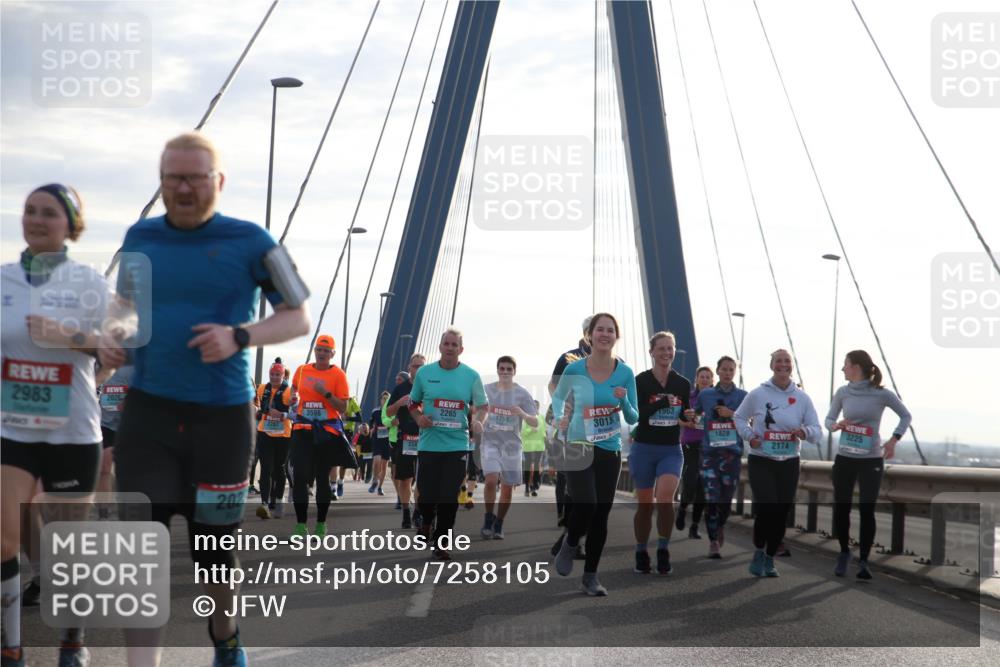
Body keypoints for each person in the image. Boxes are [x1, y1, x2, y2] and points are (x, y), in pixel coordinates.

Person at [111, 132, 311, 667]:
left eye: (195, 177)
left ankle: (225, 635)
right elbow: (122, 306)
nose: (183, 187)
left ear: (217, 182)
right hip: (149, 414)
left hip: (221, 421)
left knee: (214, 554)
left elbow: (298, 315)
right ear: (161, 183)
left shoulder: (252, 240)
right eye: (172, 177)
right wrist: (111, 335)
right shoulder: (140, 236)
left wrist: (241, 336)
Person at [2, 184, 125, 667]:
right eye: (29, 210)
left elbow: (116, 351)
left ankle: (72, 639)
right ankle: (11, 646)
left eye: (48, 213)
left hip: (71, 429)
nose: (35, 219)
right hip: (12, 428)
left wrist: (72, 339)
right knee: (4, 537)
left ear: (70, 224)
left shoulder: (91, 283)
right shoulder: (3, 280)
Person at [552, 314, 638, 596]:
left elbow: (633, 415)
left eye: (610, 330)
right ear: (589, 335)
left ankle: (590, 576)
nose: (605, 334)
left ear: (617, 335)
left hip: (609, 449)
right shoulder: (574, 370)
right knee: (586, 504)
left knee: (601, 514)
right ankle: (571, 541)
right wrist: (559, 418)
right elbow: (558, 398)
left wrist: (623, 398)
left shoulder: (624, 372)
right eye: (599, 329)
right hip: (578, 444)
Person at [734, 349, 821, 578]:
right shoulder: (758, 394)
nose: (783, 364)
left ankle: (770, 558)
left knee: (781, 512)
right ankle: (759, 551)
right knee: (768, 506)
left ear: (791, 366)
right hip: (761, 459)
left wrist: (804, 431)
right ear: (772, 366)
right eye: (778, 361)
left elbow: (817, 431)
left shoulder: (802, 398)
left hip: (788, 461)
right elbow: (739, 417)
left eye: (787, 361)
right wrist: (749, 435)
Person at [826, 349, 911, 580]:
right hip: (845, 457)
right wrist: (836, 426)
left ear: (856, 367)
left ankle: (864, 560)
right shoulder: (842, 392)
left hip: (871, 459)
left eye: (845, 364)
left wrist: (894, 440)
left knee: (866, 510)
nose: (842, 368)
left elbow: (906, 416)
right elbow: (829, 420)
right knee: (842, 507)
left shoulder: (881, 394)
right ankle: (844, 552)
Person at [409, 328, 488, 560]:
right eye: (447, 343)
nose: (450, 348)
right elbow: (413, 404)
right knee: (426, 493)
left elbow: (483, 406)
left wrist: (478, 421)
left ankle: (442, 541)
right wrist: (419, 419)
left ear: (461, 349)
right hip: (429, 444)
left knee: (449, 495)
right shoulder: (425, 373)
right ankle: (425, 521)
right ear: (440, 347)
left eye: (455, 344)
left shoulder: (471, 376)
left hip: (457, 444)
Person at [628, 332, 694, 575]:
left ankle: (663, 549)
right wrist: (661, 404)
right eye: (662, 349)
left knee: (665, 498)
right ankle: (640, 550)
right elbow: (636, 415)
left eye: (670, 348)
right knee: (645, 506)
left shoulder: (683, 384)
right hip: (644, 448)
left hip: (670, 450)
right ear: (651, 352)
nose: (667, 353)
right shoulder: (640, 381)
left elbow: (684, 415)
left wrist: (688, 417)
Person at [285, 335, 350, 538]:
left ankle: (321, 523)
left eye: (325, 350)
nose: (321, 353)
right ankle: (300, 525)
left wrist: (326, 394)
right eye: (318, 350)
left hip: (326, 433)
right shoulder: (303, 370)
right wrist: (291, 397)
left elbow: (344, 407)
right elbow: (291, 392)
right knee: (300, 476)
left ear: (332, 353)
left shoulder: (338, 375)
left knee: (322, 478)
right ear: (315, 351)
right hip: (303, 429)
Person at [547, 317, 593, 556]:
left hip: (600, 432)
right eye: (594, 330)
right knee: (573, 484)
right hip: (571, 428)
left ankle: (570, 536)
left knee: (591, 488)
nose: (600, 335)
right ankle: (572, 535)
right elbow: (553, 386)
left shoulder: (615, 362)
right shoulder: (568, 358)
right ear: (586, 333)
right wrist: (561, 405)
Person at [480, 356, 538, 539]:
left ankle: (499, 523)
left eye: (508, 369)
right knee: (490, 480)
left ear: (514, 371)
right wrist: (478, 420)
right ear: (497, 370)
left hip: (512, 446)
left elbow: (535, 422)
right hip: (490, 442)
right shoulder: (487, 389)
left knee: (506, 487)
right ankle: (488, 518)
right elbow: (477, 410)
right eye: (502, 369)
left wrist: (522, 413)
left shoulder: (522, 393)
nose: (505, 372)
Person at [696, 356, 747, 558]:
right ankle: (713, 541)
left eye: (731, 369)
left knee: (725, 499)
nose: (727, 373)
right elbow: (697, 413)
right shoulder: (706, 394)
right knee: (712, 498)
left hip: (731, 456)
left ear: (735, 372)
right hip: (709, 454)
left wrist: (731, 413)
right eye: (724, 369)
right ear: (717, 371)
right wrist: (691, 415)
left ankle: (720, 525)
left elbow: (750, 420)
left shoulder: (744, 396)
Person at [386, 355, 425, 529]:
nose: (418, 369)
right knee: (404, 479)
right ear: (409, 368)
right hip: (406, 438)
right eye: (415, 366)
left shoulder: (430, 386)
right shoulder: (400, 388)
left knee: (423, 479)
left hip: (426, 438)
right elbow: (387, 413)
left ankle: (418, 511)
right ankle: (406, 513)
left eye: (421, 366)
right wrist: (399, 404)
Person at [254, 359, 292, 520]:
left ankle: (278, 500)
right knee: (266, 468)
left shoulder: (288, 391)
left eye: (278, 375)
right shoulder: (262, 388)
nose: (274, 377)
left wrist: (283, 414)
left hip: (283, 435)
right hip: (265, 432)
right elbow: (258, 405)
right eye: (272, 374)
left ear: (283, 376)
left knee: (279, 469)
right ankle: (264, 504)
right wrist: (257, 410)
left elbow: (295, 412)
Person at [676, 366, 712, 539]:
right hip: (690, 444)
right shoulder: (688, 397)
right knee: (690, 482)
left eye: (708, 377)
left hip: (709, 446)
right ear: (696, 378)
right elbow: (676, 417)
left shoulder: (715, 399)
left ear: (712, 380)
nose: (704, 379)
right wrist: (687, 423)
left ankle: (695, 525)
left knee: (703, 489)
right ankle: (682, 509)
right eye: (702, 376)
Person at [369, 392, 392, 495]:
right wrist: (371, 429)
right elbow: (371, 423)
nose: (385, 400)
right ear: (380, 400)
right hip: (377, 439)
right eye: (383, 398)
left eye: (387, 398)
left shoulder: (392, 412)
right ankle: (375, 480)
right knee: (377, 460)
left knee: (384, 466)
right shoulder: (375, 411)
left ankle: (380, 487)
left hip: (387, 441)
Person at [521, 400, 546, 496]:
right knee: (527, 466)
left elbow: (544, 430)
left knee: (536, 466)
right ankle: (527, 486)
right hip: (528, 446)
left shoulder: (542, 417)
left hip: (539, 445)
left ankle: (534, 486)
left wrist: (544, 435)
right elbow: (522, 432)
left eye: (536, 406)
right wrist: (531, 429)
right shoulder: (527, 418)